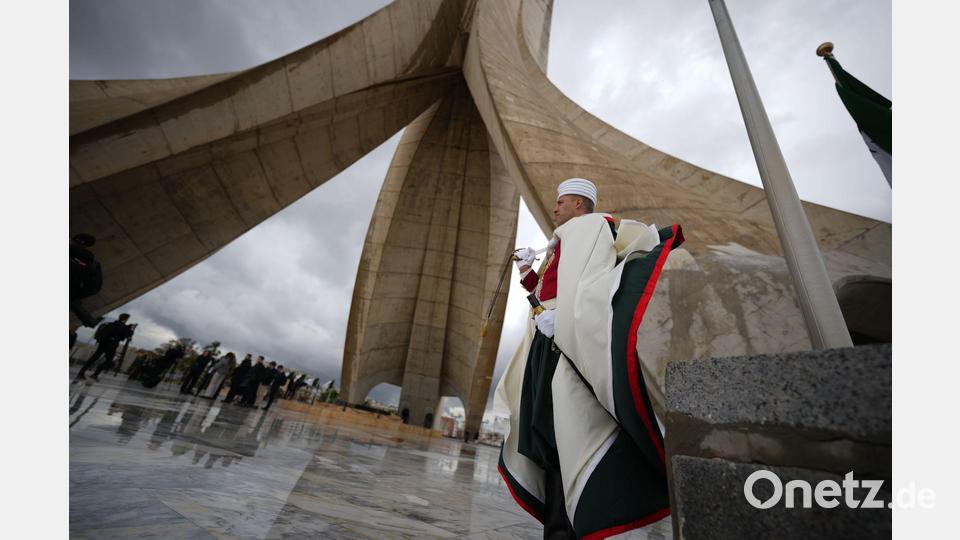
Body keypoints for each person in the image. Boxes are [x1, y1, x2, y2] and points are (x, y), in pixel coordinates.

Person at [497, 178, 682, 539]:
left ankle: (565, 528)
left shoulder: (591, 228)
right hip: (545, 338)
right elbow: (546, 292)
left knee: (561, 429)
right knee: (544, 432)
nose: (555, 207)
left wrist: (563, 318)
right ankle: (557, 527)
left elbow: (592, 285)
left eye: (561, 201)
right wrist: (526, 273)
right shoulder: (563, 240)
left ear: (580, 204)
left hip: (563, 343)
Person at [75, 313, 135, 382]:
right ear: (125, 319)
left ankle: (81, 372)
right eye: (127, 319)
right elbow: (125, 337)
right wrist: (131, 329)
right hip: (111, 346)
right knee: (108, 361)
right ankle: (95, 374)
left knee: (93, 358)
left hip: (103, 343)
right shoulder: (122, 326)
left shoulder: (112, 324)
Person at [69, 234, 104, 344]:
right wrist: (76, 294)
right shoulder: (93, 264)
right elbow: (94, 288)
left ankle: (90, 321)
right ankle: (90, 321)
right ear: (89, 247)